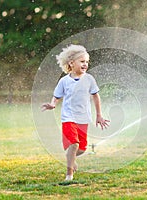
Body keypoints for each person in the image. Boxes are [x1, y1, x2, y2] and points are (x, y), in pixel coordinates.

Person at [42, 44, 109, 181]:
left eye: (87, 62)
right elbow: (57, 96)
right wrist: (53, 104)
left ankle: (70, 159)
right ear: (71, 63)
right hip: (68, 118)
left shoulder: (89, 79)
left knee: (82, 149)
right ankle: (69, 174)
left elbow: (96, 96)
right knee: (74, 144)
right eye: (82, 61)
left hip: (83, 119)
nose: (85, 64)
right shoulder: (64, 81)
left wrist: (99, 115)